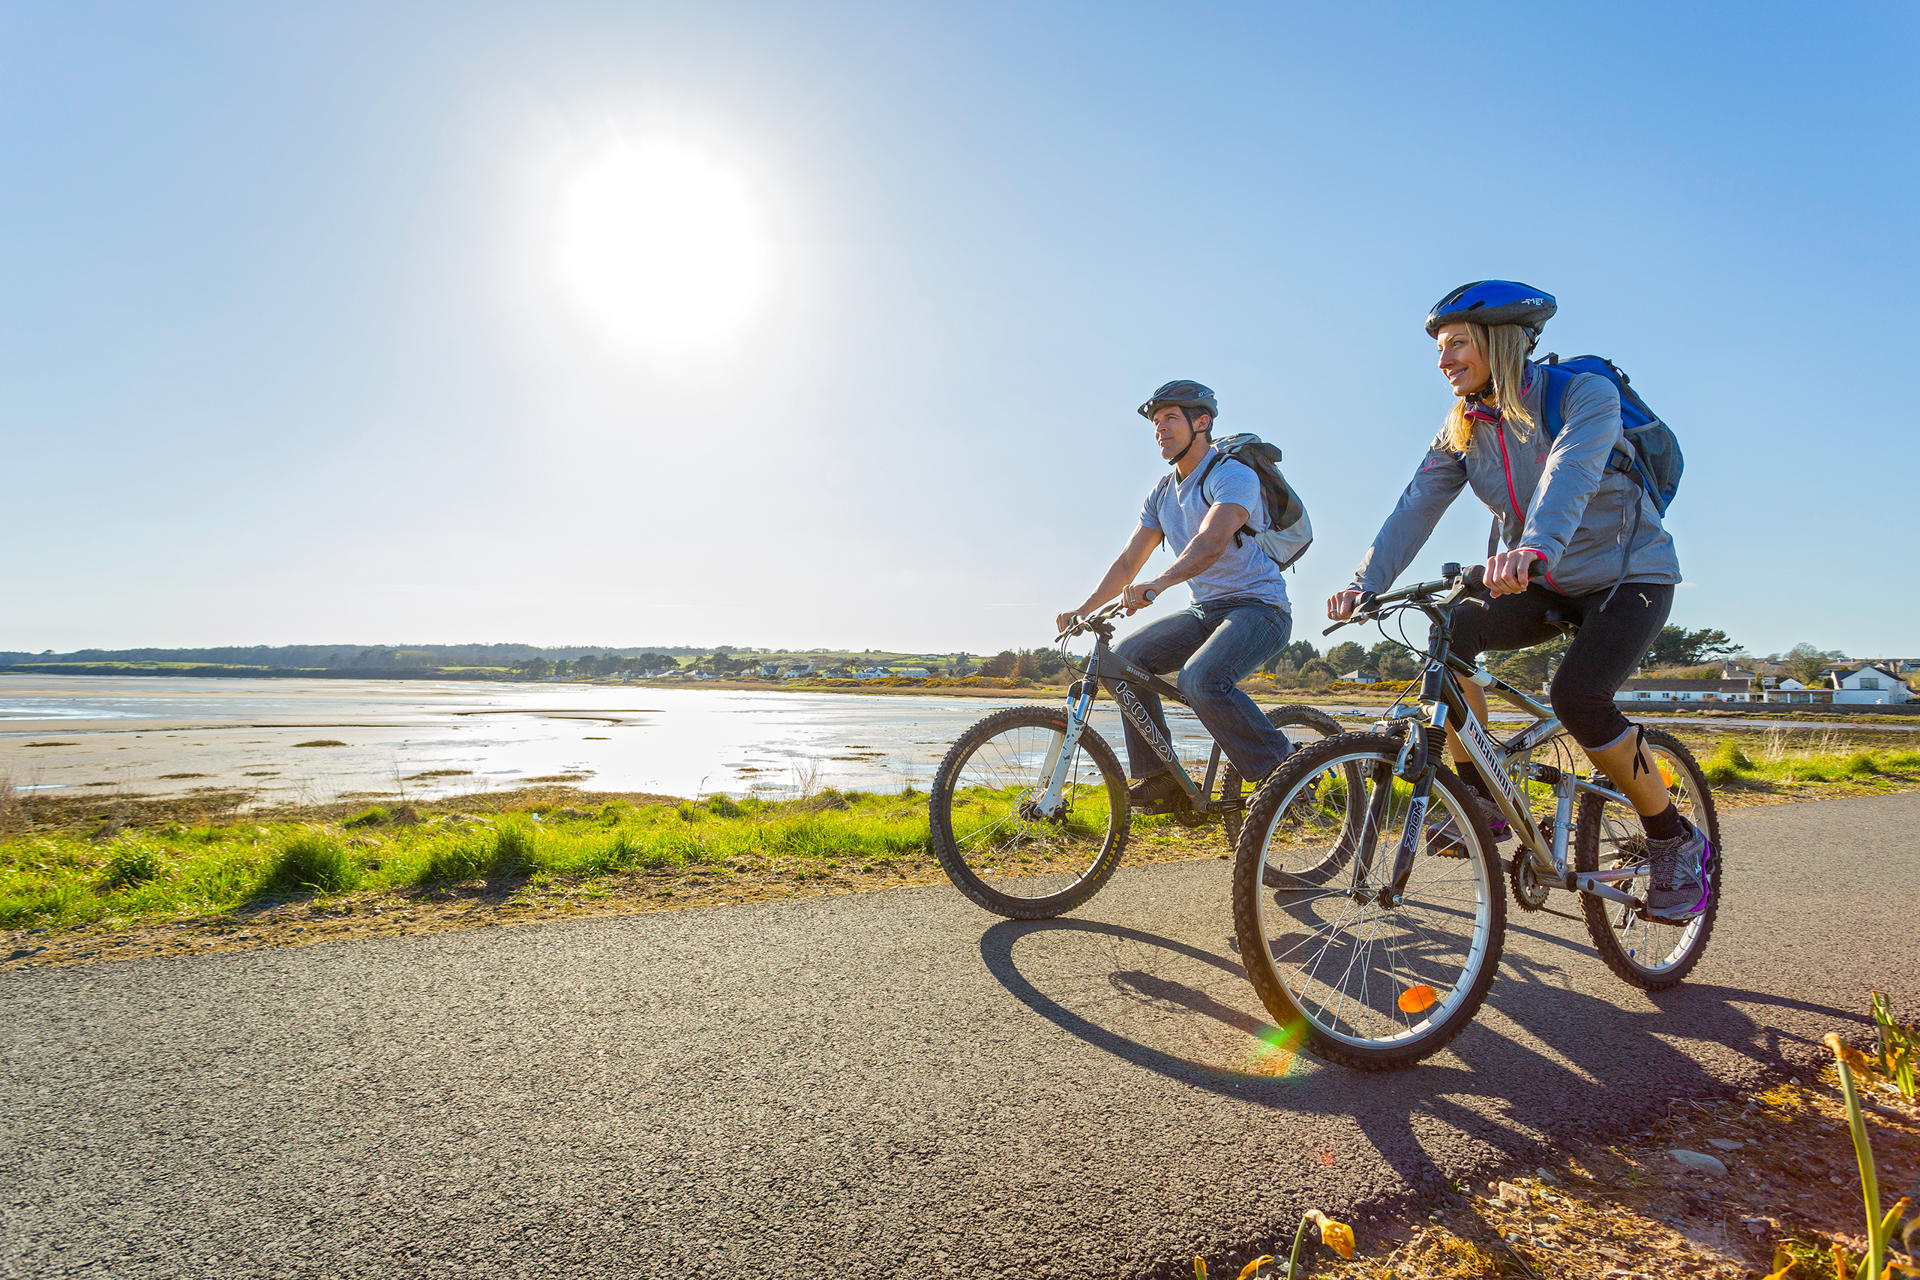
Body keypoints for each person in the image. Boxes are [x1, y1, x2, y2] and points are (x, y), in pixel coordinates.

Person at [1327, 280, 1708, 922]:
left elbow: (1572, 473)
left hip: (1628, 576)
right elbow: (1413, 508)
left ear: (1500, 340)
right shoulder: (1464, 427)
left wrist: (1534, 549)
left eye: (1455, 345)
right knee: (1449, 639)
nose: (1443, 361)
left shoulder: (1583, 394)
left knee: (1579, 699)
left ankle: (1674, 839)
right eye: (1439, 349)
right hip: (1542, 580)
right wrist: (1366, 581)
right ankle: (1482, 799)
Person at [1055, 381, 1294, 814]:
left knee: (1200, 679)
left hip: (1260, 609)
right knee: (1125, 662)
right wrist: (1083, 609)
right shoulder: (1162, 493)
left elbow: (1212, 541)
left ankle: (1286, 775)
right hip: (1207, 610)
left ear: (1201, 423)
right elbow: (1129, 562)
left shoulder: (1231, 475)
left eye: (1170, 418)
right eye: (1155, 421)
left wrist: (1159, 584)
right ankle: (1162, 779)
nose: (1159, 429)